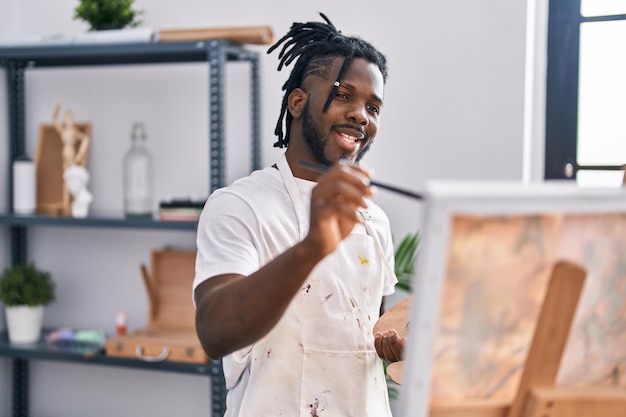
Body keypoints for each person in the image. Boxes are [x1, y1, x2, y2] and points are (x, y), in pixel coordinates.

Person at [193, 13, 405, 417]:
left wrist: (387, 346)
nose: (362, 115)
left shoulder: (374, 220)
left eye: (373, 107)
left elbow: (359, 327)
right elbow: (216, 333)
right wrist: (313, 246)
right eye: (344, 95)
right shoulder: (239, 205)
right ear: (297, 102)